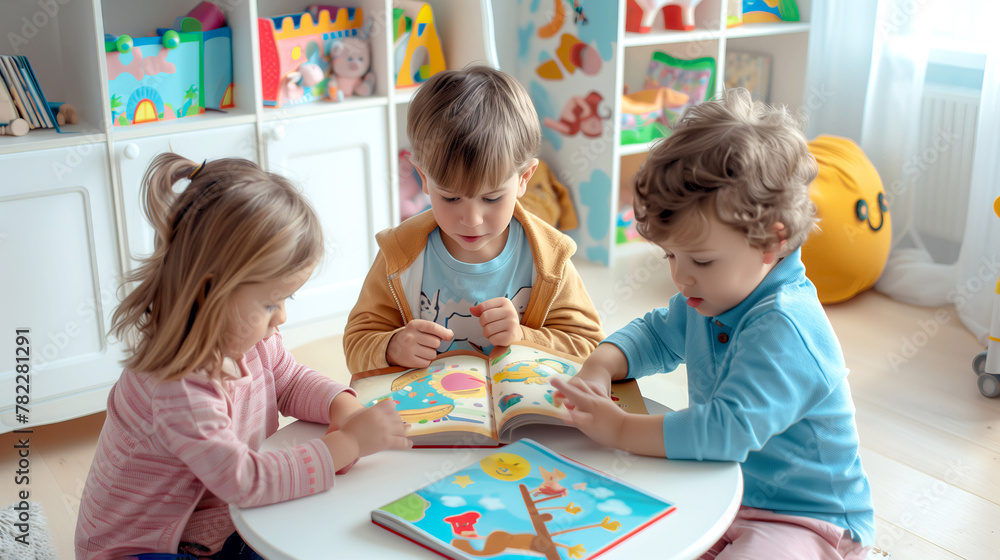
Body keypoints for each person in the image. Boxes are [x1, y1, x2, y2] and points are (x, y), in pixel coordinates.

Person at [551, 89, 875, 560]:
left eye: (700, 259)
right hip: (724, 491)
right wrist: (600, 366)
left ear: (771, 240)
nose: (680, 276)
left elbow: (725, 431)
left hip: (806, 518)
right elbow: (658, 333)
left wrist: (620, 429)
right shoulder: (714, 292)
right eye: (670, 256)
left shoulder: (787, 326)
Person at [75, 154, 411, 559]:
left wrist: (341, 403)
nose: (283, 317)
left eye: (287, 298)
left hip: (211, 522)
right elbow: (244, 481)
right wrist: (348, 444)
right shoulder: (178, 383)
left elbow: (288, 379)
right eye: (271, 303)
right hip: (145, 549)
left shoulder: (248, 339)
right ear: (209, 291)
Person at [344, 66, 604, 373]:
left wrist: (523, 336)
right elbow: (357, 342)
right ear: (423, 179)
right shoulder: (400, 255)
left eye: (492, 198)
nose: (471, 219)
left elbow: (590, 347)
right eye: (451, 198)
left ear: (524, 179)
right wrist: (392, 347)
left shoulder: (549, 259)